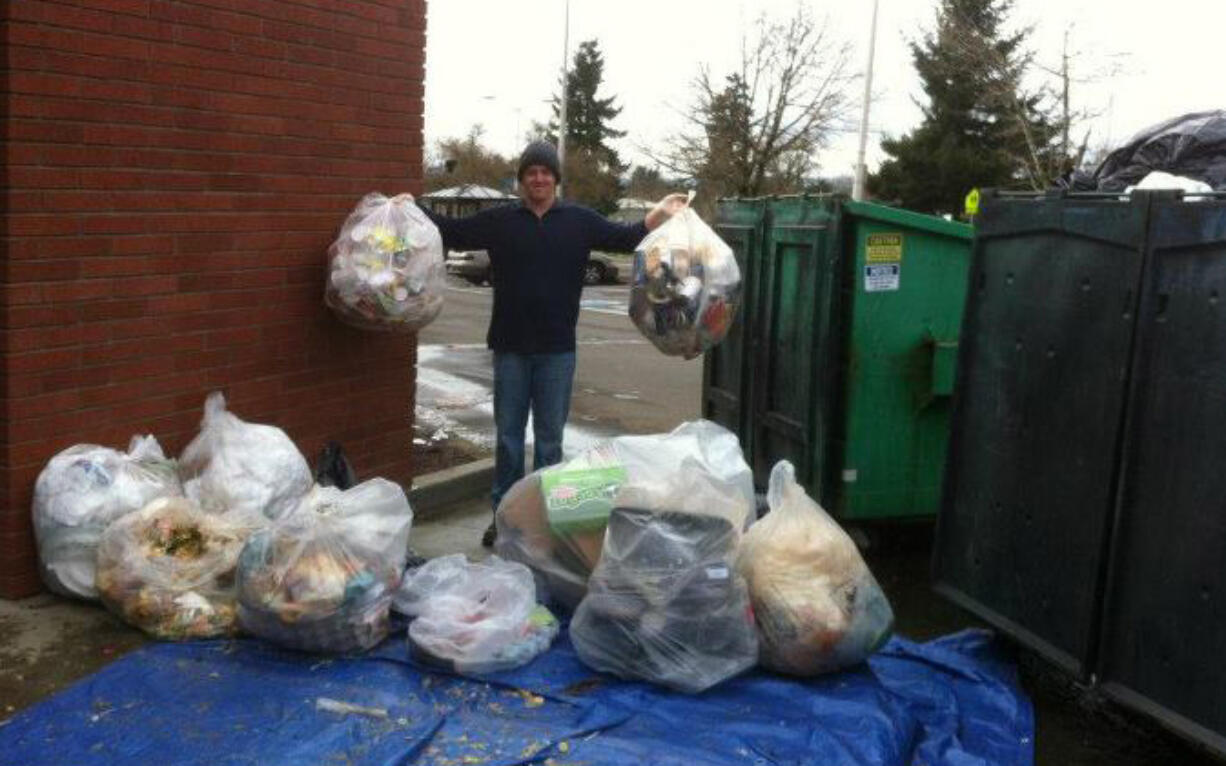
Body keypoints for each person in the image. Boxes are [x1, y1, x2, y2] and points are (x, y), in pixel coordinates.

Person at [425, 140, 687, 546]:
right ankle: (505, 517)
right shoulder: (501, 220)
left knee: (550, 442)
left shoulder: (578, 221)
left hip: (557, 350)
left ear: (555, 180)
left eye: (546, 172)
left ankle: (547, 522)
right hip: (510, 347)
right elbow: (454, 232)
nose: (539, 178)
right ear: (522, 179)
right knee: (509, 439)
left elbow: (626, 236)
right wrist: (411, 208)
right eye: (531, 172)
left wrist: (661, 212)